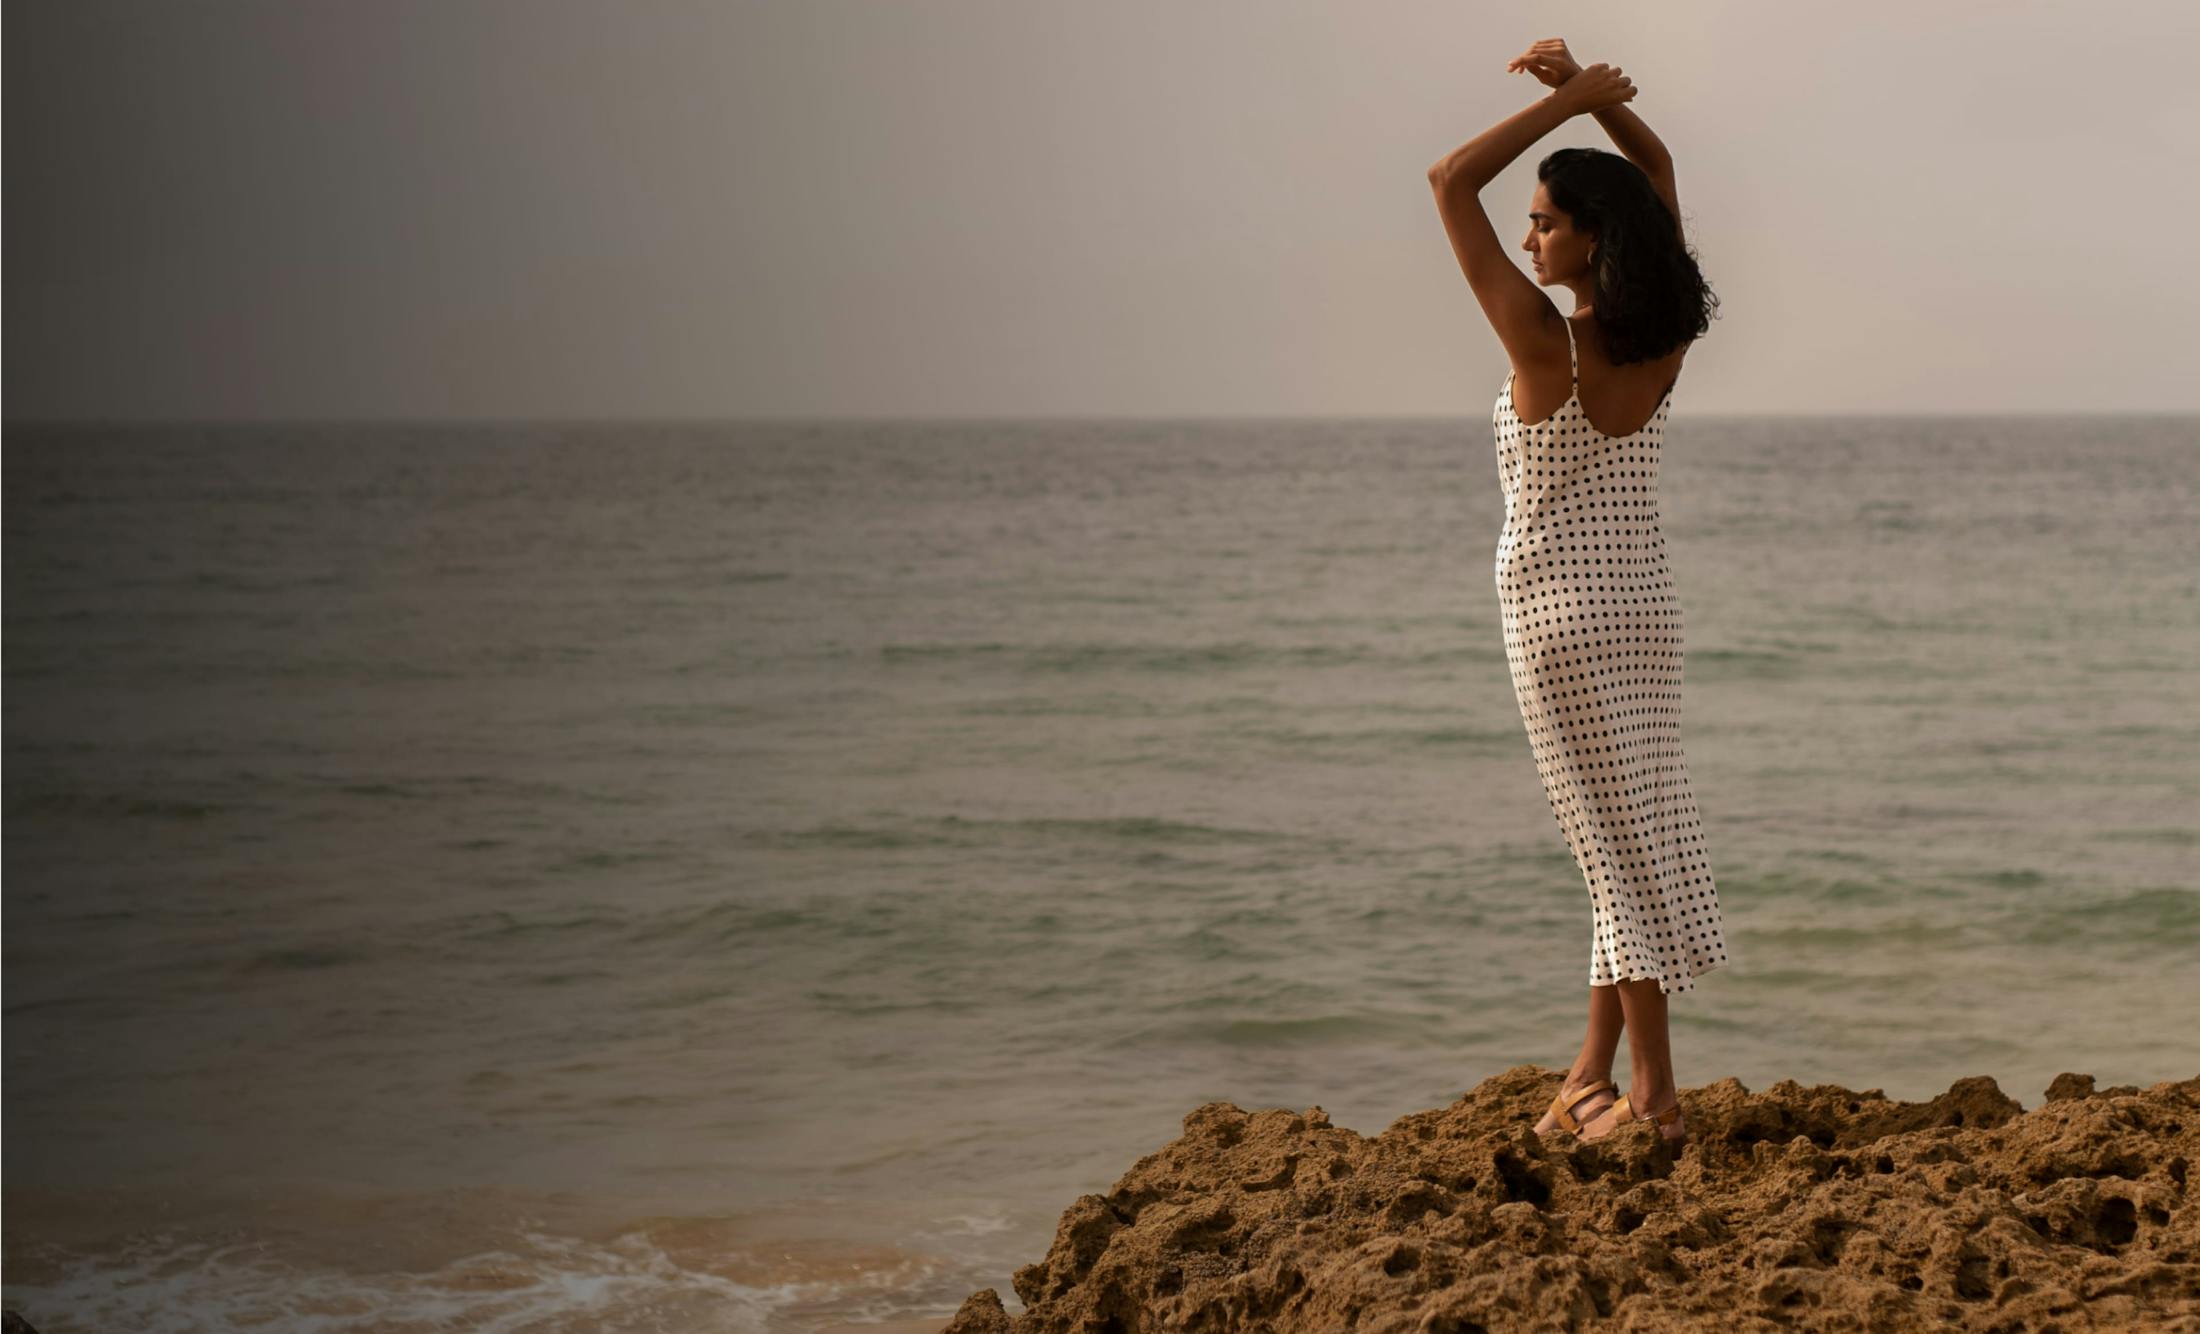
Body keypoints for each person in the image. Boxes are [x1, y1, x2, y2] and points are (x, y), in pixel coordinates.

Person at [1424, 39, 1731, 1149]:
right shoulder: (1664, 340)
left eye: (1545, 220)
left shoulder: (1543, 346)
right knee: (1625, 839)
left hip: (1555, 625)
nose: (1528, 233)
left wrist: (1576, 100)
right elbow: (1653, 178)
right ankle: (1585, 1075)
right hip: (1644, 618)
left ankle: (1651, 1100)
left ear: (1591, 238)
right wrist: (1594, 110)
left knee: (1616, 860)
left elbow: (1450, 181)